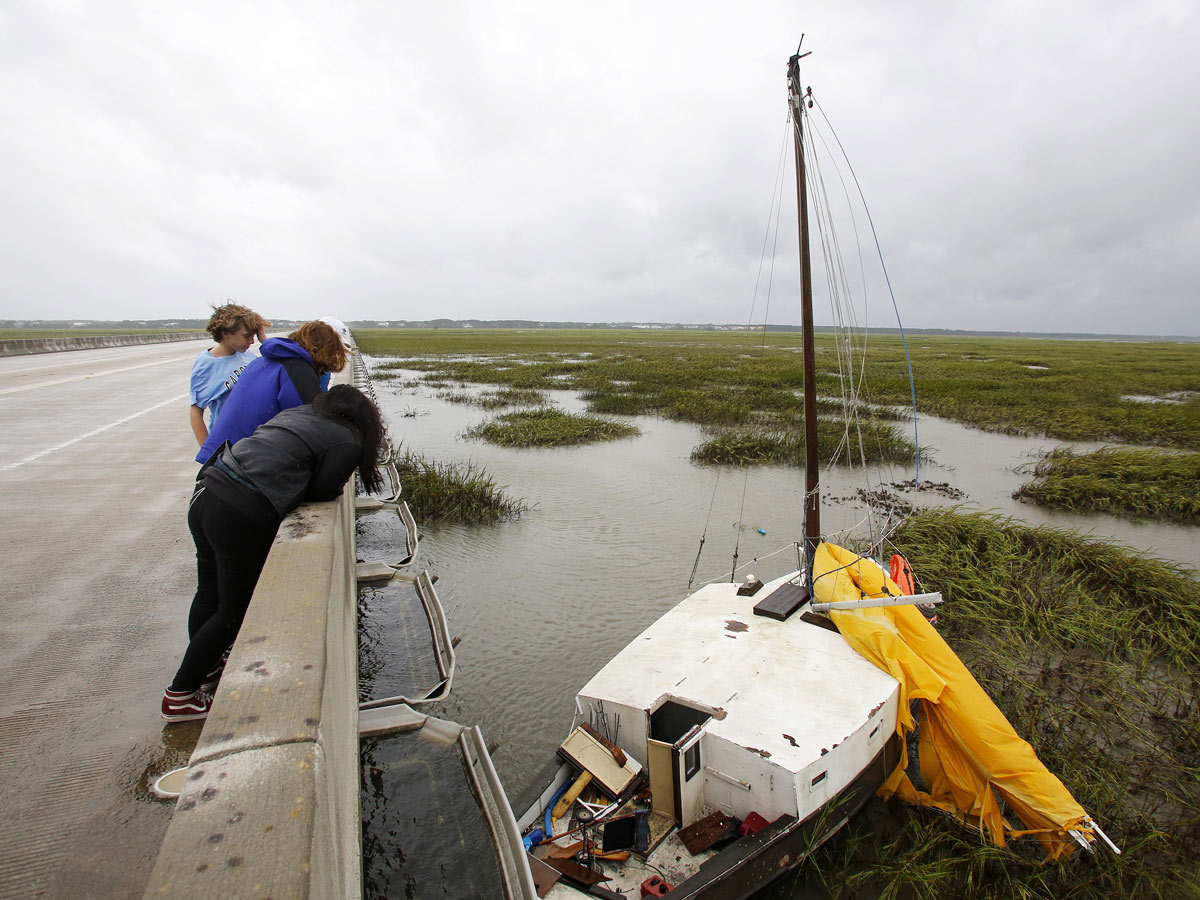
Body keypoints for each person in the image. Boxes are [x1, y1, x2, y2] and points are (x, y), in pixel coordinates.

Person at [163, 385, 388, 721]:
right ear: (364, 419)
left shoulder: (300, 413)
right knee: (232, 612)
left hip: (207, 492)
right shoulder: (346, 440)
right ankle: (180, 696)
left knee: (208, 594)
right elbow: (324, 490)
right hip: (239, 511)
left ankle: (206, 670)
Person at [195, 320, 348, 464]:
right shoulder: (298, 370)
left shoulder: (263, 361)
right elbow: (309, 429)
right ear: (323, 350)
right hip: (240, 464)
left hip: (221, 458)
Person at [189, 303, 270, 447]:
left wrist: (265, 342)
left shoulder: (247, 355)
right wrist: (209, 455)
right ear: (225, 334)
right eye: (246, 336)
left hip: (253, 440)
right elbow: (196, 412)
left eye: (253, 336)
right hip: (229, 444)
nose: (251, 341)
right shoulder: (207, 364)